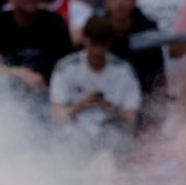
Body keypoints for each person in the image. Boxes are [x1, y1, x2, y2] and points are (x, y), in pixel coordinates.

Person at [50, 15, 141, 146]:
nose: (98, 51)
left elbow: (131, 120)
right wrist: (80, 105)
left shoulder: (124, 70)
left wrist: (110, 107)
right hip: (76, 131)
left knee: (116, 137)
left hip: (111, 132)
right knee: (72, 137)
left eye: (102, 44)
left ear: (110, 42)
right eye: (94, 43)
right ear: (84, 39)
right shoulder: (65, 68)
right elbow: (57, 118)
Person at [104, 0, 165, 97]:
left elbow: (157, 76)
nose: (120, 3)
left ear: (134, 1)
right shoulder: (96, 30)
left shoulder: (148, 31)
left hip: (142, 100)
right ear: (106, 2)